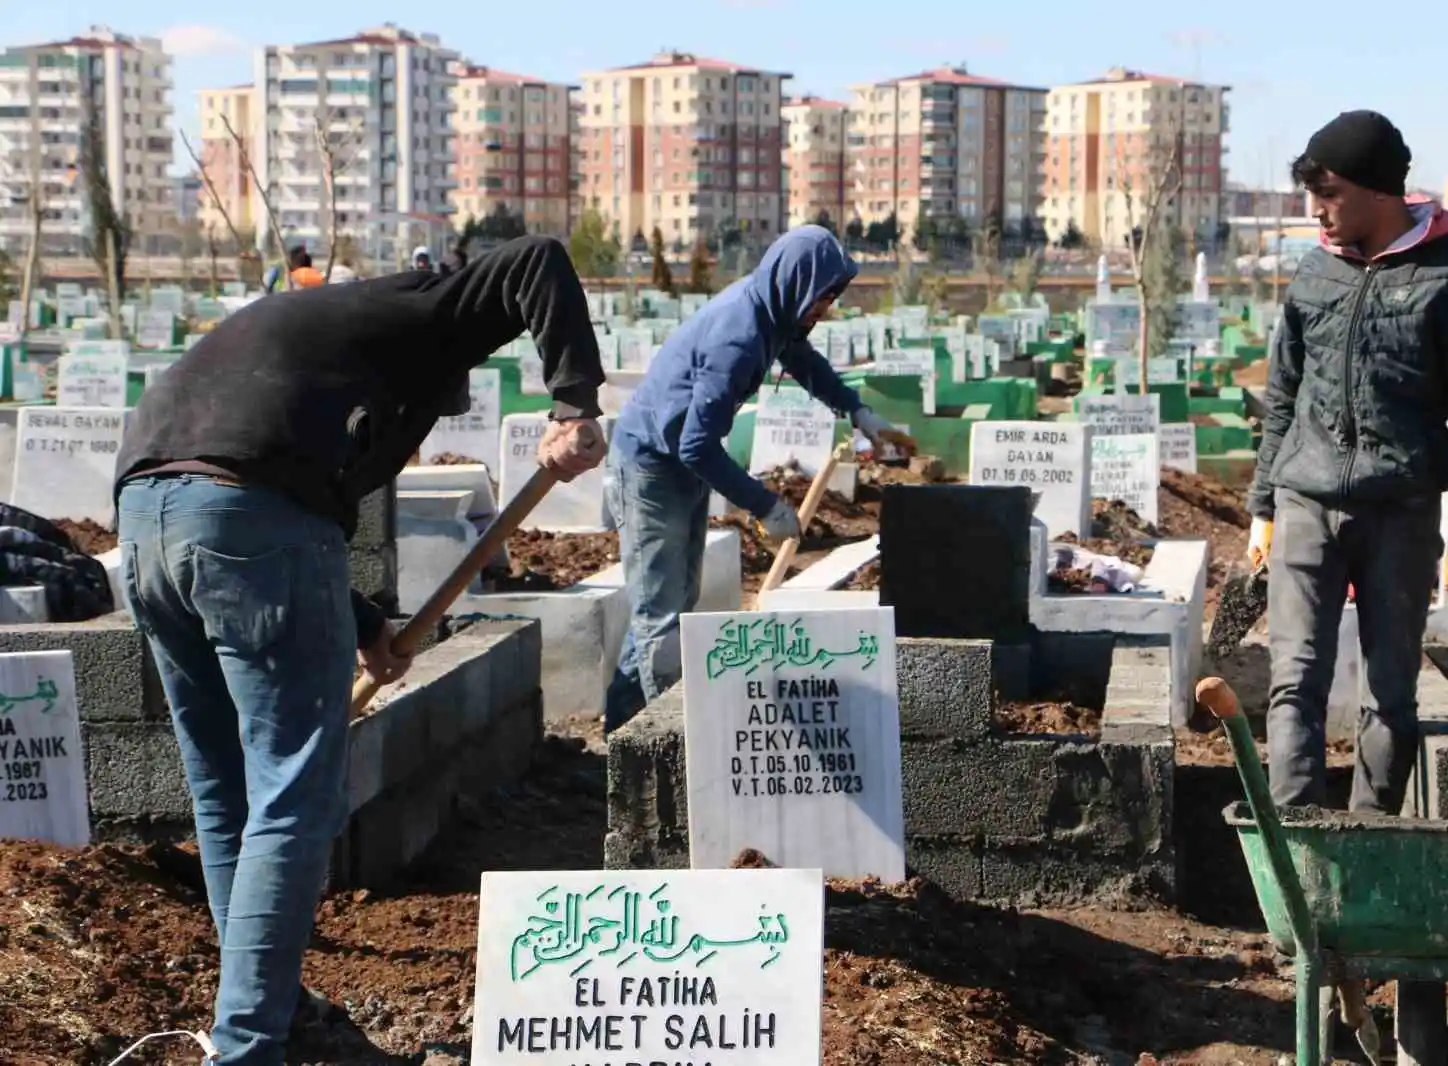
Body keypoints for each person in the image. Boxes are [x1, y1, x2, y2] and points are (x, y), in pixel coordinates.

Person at [113, 235, 608, 1066]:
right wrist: (574, 405)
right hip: (249, 520)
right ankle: (247, 1048)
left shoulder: (310, 330)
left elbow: (232, 490)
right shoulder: (428, 307)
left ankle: (272, 1010)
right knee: (290, 796)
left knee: (225, 792)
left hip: (148, 525)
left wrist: (358, 621)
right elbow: (540, 261)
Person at [1246, 110, 1448, 817]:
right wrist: (1264, 504)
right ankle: (1297, 845)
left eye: (1329, 195)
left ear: (1379, 191)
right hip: (1304, 502)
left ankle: (1368, 840)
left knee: (1390, 693)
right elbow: (1284, 394)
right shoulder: (1315, 271)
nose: (1317, 212)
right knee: (1294, 680)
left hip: (1401, 510)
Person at [603, 224, 915, 732]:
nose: (826, 309)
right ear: (797, 282)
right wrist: (764, 504)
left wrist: (858, 412)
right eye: (823, 297)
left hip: (679, 458)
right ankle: (655, 741)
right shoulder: (739, 336)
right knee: (658, 612)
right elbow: (695, 445)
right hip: (652, 464)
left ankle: (624, 728)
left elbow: (805, 361)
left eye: (832, 298)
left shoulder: (772, 311)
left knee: (676, 599)